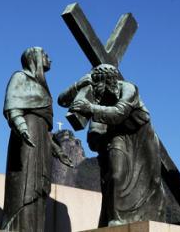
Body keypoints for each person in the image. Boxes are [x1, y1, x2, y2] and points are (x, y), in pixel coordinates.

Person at [63, 64, 166, 226]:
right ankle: (115, 217)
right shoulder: (97, 92)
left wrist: (89, 107)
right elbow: (62, 101)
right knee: (115, 175)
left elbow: (119, 113)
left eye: (97, 82)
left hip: (141, 138)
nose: (95, 88)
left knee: (151, 181)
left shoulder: (129, 89)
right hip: (117, 135)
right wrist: (77, 86)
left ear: (108, 80)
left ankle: (141, 215)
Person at [1, 47, 72, 231]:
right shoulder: (20, 77)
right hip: (27, 138)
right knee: (26, 187)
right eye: (45, 55)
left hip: (41, 139)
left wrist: (57, 151)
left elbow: (46, 130)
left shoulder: (41, 86)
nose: (49, 58)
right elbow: (12, 105)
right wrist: (22, 127)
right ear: (34, 58)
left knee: (40, 190)